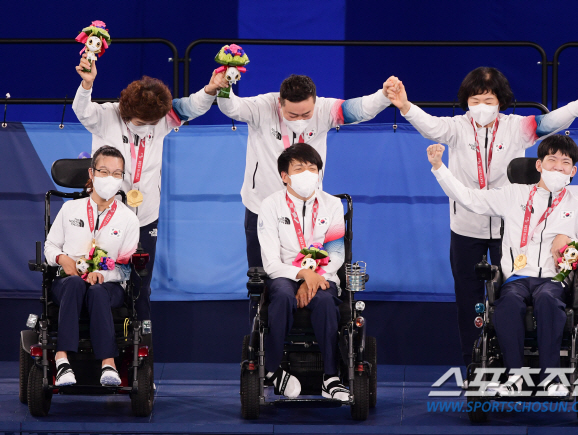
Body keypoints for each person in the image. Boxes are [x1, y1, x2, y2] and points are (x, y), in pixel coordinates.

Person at [386, 67, 578, 367]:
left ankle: (515, 364)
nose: (481, 107)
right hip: (466, 227)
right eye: (474, 100)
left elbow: (549, 122)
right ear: (466, 101)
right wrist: (405, 106)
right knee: (469, 302)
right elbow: (430, 127)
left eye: (488, 100)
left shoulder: (516, 127)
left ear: (500, 101)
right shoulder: (457, 127)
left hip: (509, 231)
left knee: (512, 297)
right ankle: (473, 366)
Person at [427, 135, 578, 396]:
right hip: (516, 279)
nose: (558, 167)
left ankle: (551, 379)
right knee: (507, 303)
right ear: (539, 165)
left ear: (573, 171)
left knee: (547, 299)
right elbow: (469, 198)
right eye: (552, 160)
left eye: (565, 162)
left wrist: (571, 245)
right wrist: (439, 168)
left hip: (554, 281)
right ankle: (515, 378)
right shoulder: (514, 194)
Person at [72, 53, 224, 322]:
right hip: (106, 214)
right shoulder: (106, 116)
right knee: (100, 276)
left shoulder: (162, 118)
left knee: (141, 284)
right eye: (142, 123)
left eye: (152, 124)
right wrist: (87, 85)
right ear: (127, 112)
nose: (148, 128)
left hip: (145, 215)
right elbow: (82, 110)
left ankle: (142, 337)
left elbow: (191, 106)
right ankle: (98, 330)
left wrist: (211, 89)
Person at [213, 73, 396, 269]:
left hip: (309, 208)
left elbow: (358, 109)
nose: (299, 120)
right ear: (280, 103)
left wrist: (383, 96)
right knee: (260, 275)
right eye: (292, 115)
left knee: (311, 270)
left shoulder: (325, 110)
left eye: (306, 114)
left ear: (315, 102)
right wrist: (224, 88)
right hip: (261, 205)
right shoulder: (262, 107)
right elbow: (232, 107)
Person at [257, 143, 349, 401]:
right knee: (283, 297)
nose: (307, 173)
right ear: (285, 176)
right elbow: (270, 262)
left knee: (326, 302)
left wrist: (314, 277)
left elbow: (336, 253)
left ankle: (330, 378)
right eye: (299, 168)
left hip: (323, 275)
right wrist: (303, 275)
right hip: (284, 274)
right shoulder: (270, 205)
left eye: (312, 168)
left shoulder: (332, 205)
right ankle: (273, 370)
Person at [44, 146, 140, 386]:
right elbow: (50, 246)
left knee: (97, 292)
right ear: (92, 173)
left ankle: (109, 364)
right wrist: (62, 259)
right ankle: (62, 360)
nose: (110, 178)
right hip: (68, 281)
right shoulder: (70, 209)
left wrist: (103, 275)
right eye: (104, 171)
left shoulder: (128, 219)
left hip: (108, 286)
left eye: (117, 174)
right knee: (74, 284)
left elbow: (125, 268)